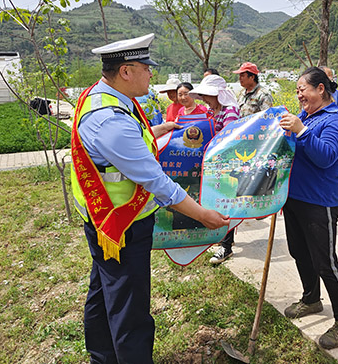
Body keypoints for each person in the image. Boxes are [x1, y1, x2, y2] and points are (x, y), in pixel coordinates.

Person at [71, 33, 229, 364]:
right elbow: (157, 182)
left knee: (103, 294)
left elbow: (129, 143)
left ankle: (103, 356)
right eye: (146, 68)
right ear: (126, 71)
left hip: (104, 220)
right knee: (130, 310)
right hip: (122, 226)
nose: (150, 74)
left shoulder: (100, 98)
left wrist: (163, 129)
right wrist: (203, 215)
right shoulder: (110, 120)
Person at [279, 67, 338, 350]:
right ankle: (311, 298)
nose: (299, 95)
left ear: (321, 89)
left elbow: (325, 158)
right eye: (297, 91)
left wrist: (301, 130)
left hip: (319, 201)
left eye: (303, 89)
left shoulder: (335, 121)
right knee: (299, 252)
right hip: (294, 198)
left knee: (326, 262)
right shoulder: (307, 117)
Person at [189, 75, 241, 264]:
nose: (204, 99)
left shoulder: (230, 111)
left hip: (225, 165)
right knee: (215, 202)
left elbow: (228, 139)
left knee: (225, 203)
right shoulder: (214, 111)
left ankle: (225, 247)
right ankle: (221, 240)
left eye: (206, 95)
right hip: (214, 164)